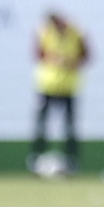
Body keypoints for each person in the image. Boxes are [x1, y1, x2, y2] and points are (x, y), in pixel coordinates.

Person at [30, 10, 89, 176]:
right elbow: (38, 54)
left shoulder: (76, 33)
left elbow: (86, 56)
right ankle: (36, 160)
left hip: (69, 86)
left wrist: (69, 62)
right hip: (47, 86)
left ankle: (72, 161)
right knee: (41, 126)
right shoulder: (44, 32)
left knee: (70, 128)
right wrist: (54, 59)